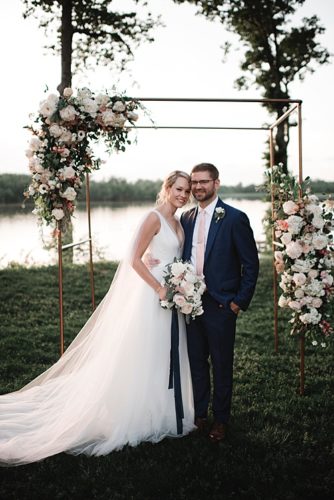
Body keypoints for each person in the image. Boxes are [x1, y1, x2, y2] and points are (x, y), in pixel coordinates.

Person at [0, 171, 195, 466]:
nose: (183, 194)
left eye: (187, 190)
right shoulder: (153, 217)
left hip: (172, 296)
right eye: (178, 188)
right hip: (152, 296)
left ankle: (163, 409)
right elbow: (133, 258)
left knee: (164, 354)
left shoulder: (178, 222)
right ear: (167, 188)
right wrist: (158, 288)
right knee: (145, 352)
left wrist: (181, 284)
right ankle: (135, 411)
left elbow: (170, 258)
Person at [181, 163, 259, 442]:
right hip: (189, 303)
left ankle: (221, 420)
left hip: (222, 305)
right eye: (194, 182)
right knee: (196, 362)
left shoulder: (235, 218)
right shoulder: (186, 218)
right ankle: (200, 415)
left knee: (222, 364)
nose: (198, 186)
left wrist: (238, 303)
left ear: (216, 183)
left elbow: (251, 265)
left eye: (204, 181)